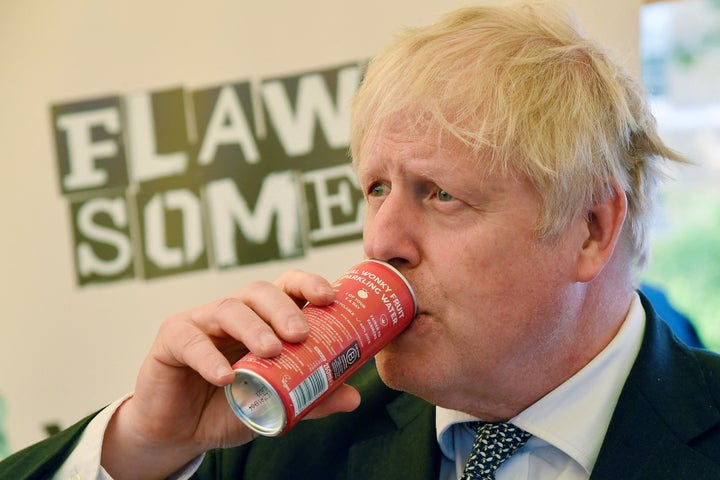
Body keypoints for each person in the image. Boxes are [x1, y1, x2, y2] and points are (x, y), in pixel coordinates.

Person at [3, 2, 720, 479]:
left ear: (592, 229)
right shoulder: (290, 437)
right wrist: (144, 445)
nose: (381, 240)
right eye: (376, 188)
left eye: (440, 194)